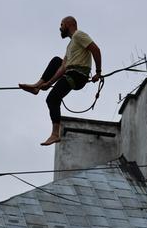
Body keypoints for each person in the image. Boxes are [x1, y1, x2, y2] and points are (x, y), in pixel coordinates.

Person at [19, 16, 102, 146]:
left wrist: (98, 72)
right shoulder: (70, 45)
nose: (60, 28)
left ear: (69, 24)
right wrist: (48, 83)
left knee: (52, 99)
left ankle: (54, 134)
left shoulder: (79, 35)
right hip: (70, 72)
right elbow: (62, 68)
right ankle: (37, 86)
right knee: (56, 61)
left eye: (61, 24)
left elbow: (96, 50)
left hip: (78, 75)